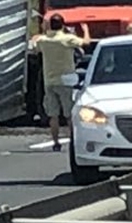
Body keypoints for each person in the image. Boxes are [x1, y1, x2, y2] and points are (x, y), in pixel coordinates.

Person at [32, 14, 91, 152]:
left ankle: (56, 142)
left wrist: (44, 28)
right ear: (63, 25)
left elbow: (36, 43)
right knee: (69, 113)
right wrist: (86, 30)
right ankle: (73, 141)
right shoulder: (67, 39)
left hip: (49, 80)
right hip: (66, 80)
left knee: (53, 115)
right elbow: (86, 42)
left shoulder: (44, 41)